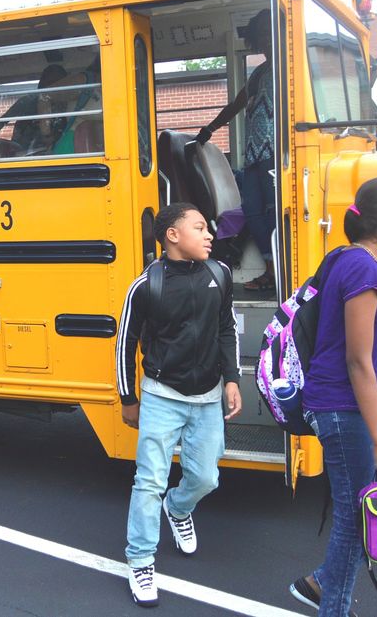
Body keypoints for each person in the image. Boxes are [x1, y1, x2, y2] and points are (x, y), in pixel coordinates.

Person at [289, 177, 377, 617]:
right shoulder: (362, 267)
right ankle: (334, 606)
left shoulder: (356, 260)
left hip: (368, 402)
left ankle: (321, 582)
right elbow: (357, 361)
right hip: (342, 407)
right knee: (355, 517)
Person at [116, 202, 242, 608]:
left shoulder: (220, 274)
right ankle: (140, 560)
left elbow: (227, 328)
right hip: (161, 395)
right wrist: (128, 398)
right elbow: (125, 342)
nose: (210, 235)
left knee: (206, 477)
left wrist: (233, 380)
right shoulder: (146, 284)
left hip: (207, 396)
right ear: (172, 235)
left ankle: (179, 507)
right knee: (149, 480)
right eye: (200, 227)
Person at [196, 9, 275, 291]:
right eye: (261, 35)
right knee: (253, 211)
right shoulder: (260, 73)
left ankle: (279, 272)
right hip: (254, 153)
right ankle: (269, 268)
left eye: (270, 31)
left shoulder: (289, 67)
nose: (266, 39)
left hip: (276, 153)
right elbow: (236, 106)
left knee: (273, 212)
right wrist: (209, 130)